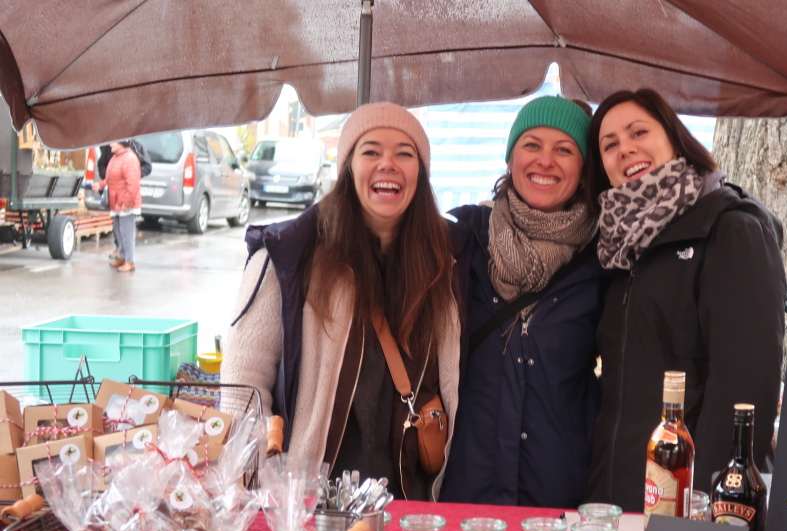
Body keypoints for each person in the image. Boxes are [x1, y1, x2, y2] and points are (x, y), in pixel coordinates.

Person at [222, 103, 460, 502]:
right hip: (311, 509)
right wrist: (261, 498)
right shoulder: (288, 258)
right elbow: (242, 389)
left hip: (410, 506)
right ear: (348, 167)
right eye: (370, 151)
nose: (388, 163)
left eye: (405, 152)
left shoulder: (443, 265)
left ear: (421, 172)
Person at [584, 89, 786, 512]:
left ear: (675, 137)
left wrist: (706, 507)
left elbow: (745, 389)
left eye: (639, 131)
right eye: (610, 144)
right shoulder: (618, 247)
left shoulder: (730, 228)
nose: (626, 149)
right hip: (618, 500)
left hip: (689, 508)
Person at [440, 96, 606, 509]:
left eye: (564, 149)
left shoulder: (605, 258)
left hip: (559, 499)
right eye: (532, 144)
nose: (545, 161)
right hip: (465, 493)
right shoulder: (461, 239)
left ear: (584, 167)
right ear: (511, 157)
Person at [92, 140, 141, 272]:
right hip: (116, 202)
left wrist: (128, 203)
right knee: (119, 232)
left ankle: (130, 261)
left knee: (127, 232)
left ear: (122, 143)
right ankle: (123, 257)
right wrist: (100, 185)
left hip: (125, 203)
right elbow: (110, 177)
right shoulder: (117, 157)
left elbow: (133, 184)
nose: (110, 144)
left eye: (114, 142)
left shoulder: (129, 159)